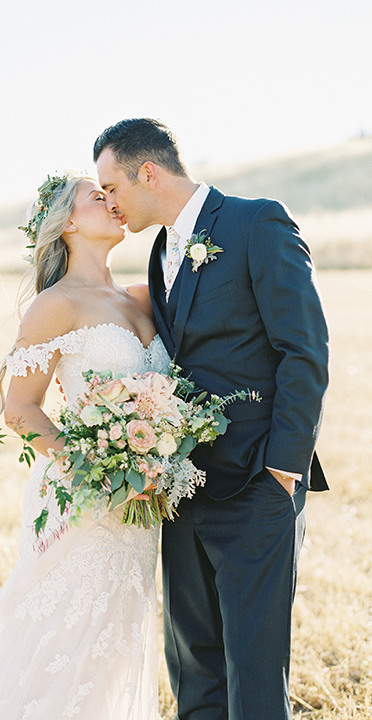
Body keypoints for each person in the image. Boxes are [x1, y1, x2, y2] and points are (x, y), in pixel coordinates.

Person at [0, 173, 169, 719]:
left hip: (143, 497)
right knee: (62, 632)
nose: (114, 203)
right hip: (85, 495)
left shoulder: (143, 295)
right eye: (99, 196)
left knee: (116, 633)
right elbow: (21, 410)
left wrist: (154, 457)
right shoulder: (54, 305)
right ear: (68, 222)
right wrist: (100, 470)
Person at [94, 118, 329, 720]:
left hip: (257, 484)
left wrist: (284, 468)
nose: (110, 204)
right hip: (182, 486)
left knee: (252, 675)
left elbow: (303, 351)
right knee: (194, 668)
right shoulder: (156, 255)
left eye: (113, 187)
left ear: (148, 172)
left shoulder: (256, 223)